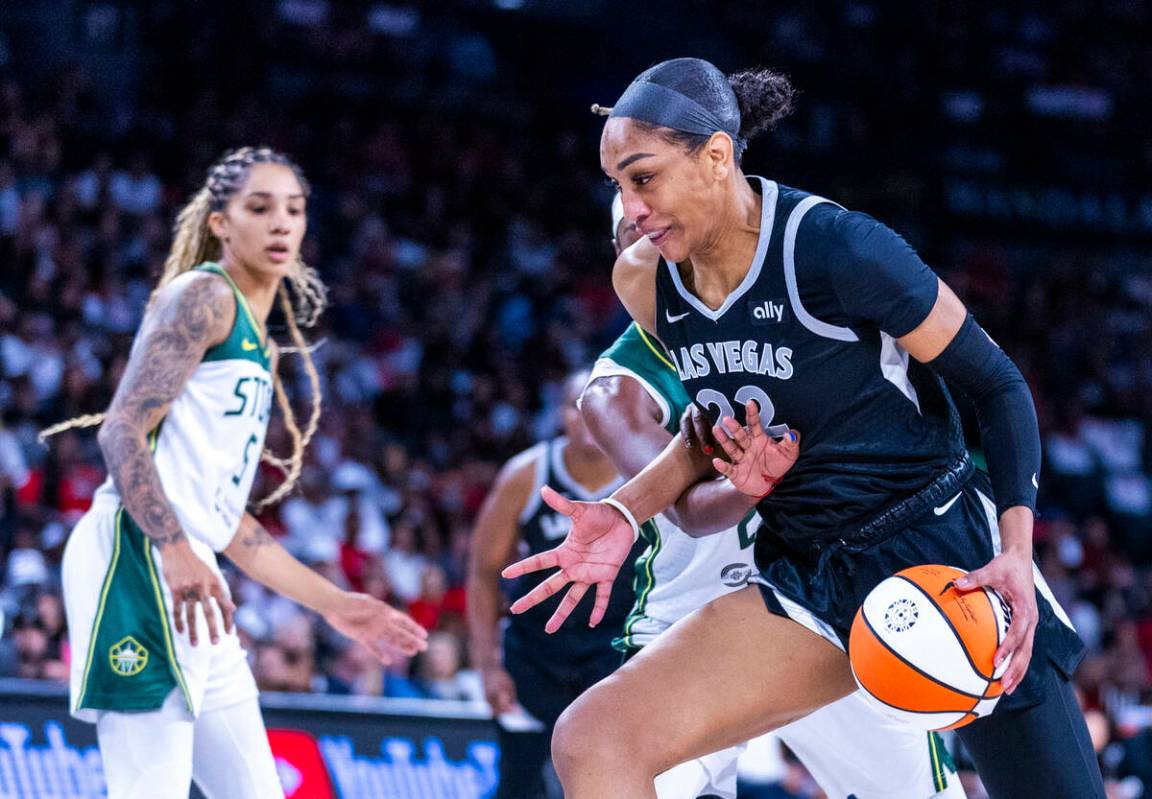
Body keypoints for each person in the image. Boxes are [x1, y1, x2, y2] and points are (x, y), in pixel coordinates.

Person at [504, 59, 1104, 798]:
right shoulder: (644, 279)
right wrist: (628, 507)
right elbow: (704, 433)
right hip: (806, 574)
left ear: (716, 155)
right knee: (593, 740)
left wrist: (1015, 549)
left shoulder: (838, 248)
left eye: (644, 177)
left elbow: (998, 385)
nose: (630, 207)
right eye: (617, 187)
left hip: (942, 552)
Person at [44, 147, 429, 799]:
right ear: (220, 222)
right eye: (260, 207)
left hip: (195, 572)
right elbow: (119, 429)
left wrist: (336, 603)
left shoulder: (254, 332)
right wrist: (173, 547)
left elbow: (229, 524)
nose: (282, 223)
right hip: (140, 556)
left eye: (295, 209)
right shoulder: (204, 296)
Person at [579, 196, 964, 799]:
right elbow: (686, 512)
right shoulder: (616, 389)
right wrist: (744, 483)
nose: (657, 243)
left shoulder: (784, 322)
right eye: (636, 234)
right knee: (619, 764)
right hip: (695, 612)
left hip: (820, 602)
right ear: (621, 257)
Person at [467, 370, 642, 799]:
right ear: (560, 414)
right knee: (519, 783)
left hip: (611, 653)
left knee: (601, 781)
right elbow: (481, 573)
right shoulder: (526, 474)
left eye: (600, 406)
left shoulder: (645, 472)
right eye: (575, 405)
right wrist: (487, 667)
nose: (587, 417)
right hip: (533, 655)